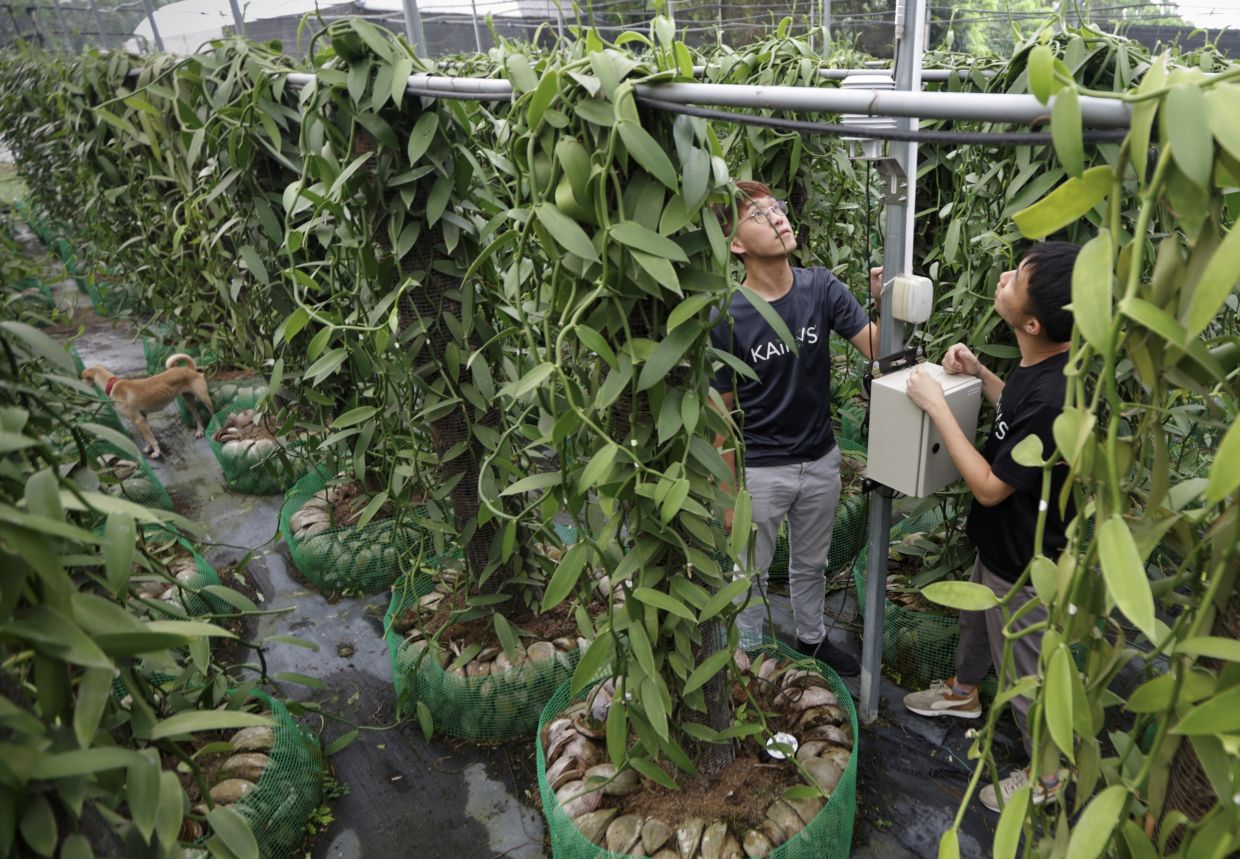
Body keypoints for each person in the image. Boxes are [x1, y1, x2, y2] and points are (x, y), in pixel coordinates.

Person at [901, 240, 1080, 813]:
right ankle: (963, 694)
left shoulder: (1055, 396)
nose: (1002, 276)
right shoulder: (1041, 365)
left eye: (1014, 280)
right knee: (976, 628)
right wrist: (980, 372)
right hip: (999, 544)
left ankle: (1048, 777)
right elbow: (1014, 415)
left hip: (1027, 565)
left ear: (1031, 320)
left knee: (1024, 672)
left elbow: (988, 484)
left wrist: (936, 405)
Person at [710, 179, 883, 677]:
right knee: (751, 571)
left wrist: (880, 304)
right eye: (759, 215)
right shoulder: (728, 315)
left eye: (777, 209)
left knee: (812, 563)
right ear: (736, 244)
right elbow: (719, 408)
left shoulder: (820, 287)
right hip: (761, 469)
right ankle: (750, 652)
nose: (778, 218)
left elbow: (876, 350)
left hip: (821, 459)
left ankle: (811, 638)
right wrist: (727, 489)